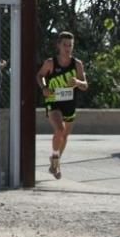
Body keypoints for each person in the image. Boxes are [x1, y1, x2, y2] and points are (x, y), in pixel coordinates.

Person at [37, 31, 88, 179]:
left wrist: (77, 82)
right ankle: (54, 157)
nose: (67, 48)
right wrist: (44, 87)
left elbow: (85, 85)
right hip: (53, 100)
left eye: (70, 45)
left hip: (69, 103)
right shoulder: (50, 62)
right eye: (65, 45)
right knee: (60, 129)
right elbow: (39, 76)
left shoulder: (77, 64)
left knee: (65, 136)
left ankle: (56, 161)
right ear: (58, 45)